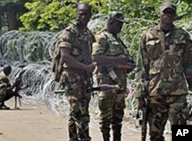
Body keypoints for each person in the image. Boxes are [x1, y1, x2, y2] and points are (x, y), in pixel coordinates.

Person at [135, 1, 192, 141]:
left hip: (177, 91)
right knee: (155, 134)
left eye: (171, 12)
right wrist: (140, 94)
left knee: (182, 132)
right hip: (155, 92)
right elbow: (142, 67)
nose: (168, 15)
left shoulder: (183, 36)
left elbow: (189, 64)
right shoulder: (147, 36)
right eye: (165, 12)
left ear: (175, 15)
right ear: (159, 14)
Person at [55, 3, 95, 141]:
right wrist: (85, 67)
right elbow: (65, 56)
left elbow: (91, 55)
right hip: (72, 77)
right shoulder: (69, 33)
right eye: (81, 13)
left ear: (90, 15)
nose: (84, 17)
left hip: (84, 78)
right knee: (78, 110)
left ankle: (73, 138)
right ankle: (84, 138)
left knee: (80, 109)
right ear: (76, 13)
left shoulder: (88, 34)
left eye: (86, 14)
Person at [92, 12, 134, 141]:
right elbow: (96, 58)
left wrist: (129, 65)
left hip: (120, 83)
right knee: (106, 117)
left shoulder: (117, 39)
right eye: (118, 23)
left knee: (118, 116)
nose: (121, 26)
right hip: (107, 83)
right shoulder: (102, 37)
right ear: (110, 22)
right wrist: (117, 60)